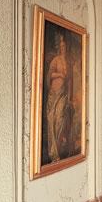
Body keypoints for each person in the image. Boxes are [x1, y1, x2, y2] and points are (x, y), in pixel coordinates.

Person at [45, 33, 74, 162]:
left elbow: (70, 81)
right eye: (62, 46)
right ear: (59, 48)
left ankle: (58, 147)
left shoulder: (68, 62)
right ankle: (53, 153)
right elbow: (49, 75)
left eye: (65, 46)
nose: (63, 48)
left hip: (63, 94)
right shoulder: (56, 60)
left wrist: (70, 96)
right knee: (51, 120)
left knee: (60, 119)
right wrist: (59, 75)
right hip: (54, 93)